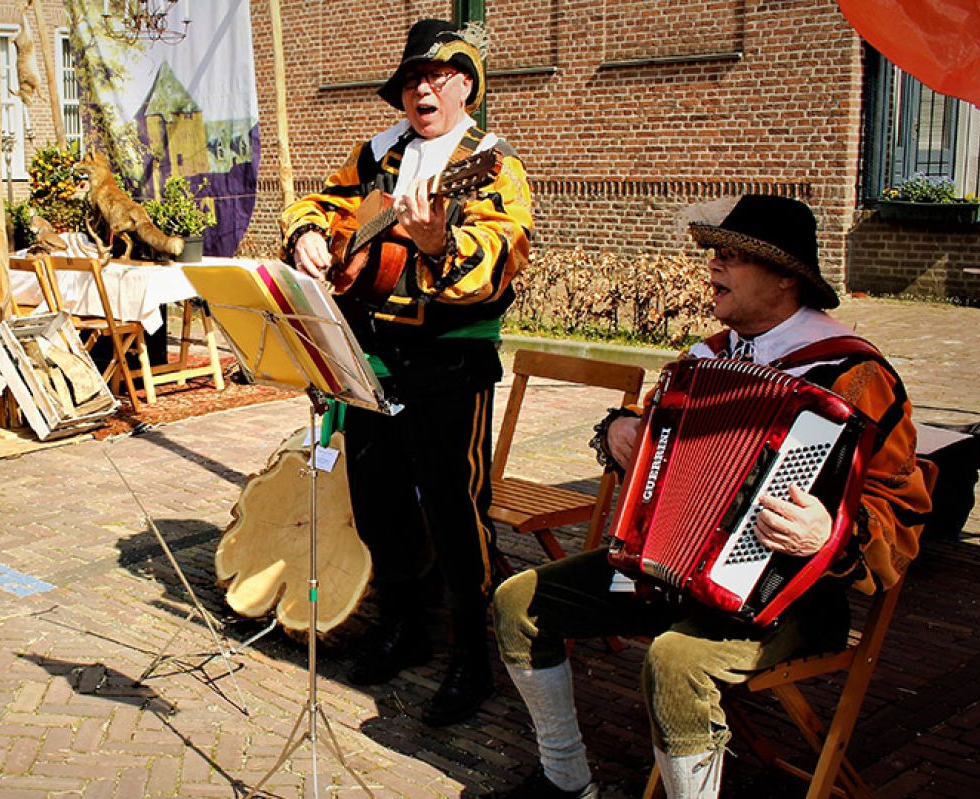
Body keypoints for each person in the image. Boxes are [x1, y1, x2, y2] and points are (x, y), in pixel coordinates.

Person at [486, 195, 932, 798]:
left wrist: (829, 535)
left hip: (794, 595)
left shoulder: (852, 375)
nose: (713, 268)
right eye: (714, 254)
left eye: (732, 257)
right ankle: (566, 782)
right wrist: (618, 429)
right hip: (665, 572)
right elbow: (651, 445)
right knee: (519, 603)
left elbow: (903, 509)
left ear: (784, 276)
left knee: (674, 662)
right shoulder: (705, 359)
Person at [282, 18, 533, 726]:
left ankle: (471, 650)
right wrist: (306, 233)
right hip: (371, 354)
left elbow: (498, 254)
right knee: (378, 495)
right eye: (411, 80)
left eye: (435, 77)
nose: (421, 89)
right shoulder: (377, 151)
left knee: (455, 509)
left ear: (464, 84)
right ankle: (402, 622)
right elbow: (320, 204)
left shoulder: (492, 161)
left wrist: (438, 240)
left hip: (450, 359)